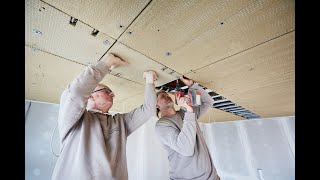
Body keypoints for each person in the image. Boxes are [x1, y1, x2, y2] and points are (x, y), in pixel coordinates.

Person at [51, 53, 158, 180]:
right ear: (90, 96)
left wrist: (149, 80)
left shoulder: (120, 122)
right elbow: (76, 92)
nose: (112, 95)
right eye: (107, 91)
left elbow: (148, 110)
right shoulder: (76, 120)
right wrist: (106, 64)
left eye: (111, 93)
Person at [155, 77, 220, 180]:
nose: (167, 96)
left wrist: (192, 85)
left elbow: (208, 102)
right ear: (156, 105)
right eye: (162, 96)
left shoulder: (184, 112)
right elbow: (186, 150)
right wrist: (189, 111)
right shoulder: (162, 125)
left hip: (212, 176)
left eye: (167, 94)